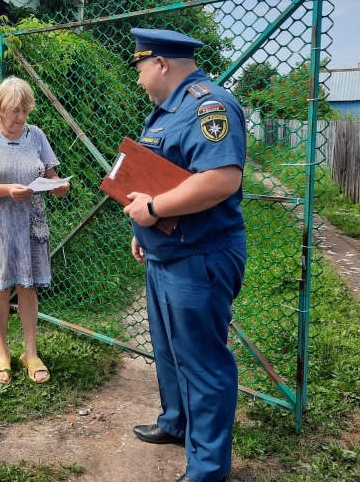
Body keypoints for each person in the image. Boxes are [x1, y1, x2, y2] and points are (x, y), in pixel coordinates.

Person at [122, 29, 247, 482]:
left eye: (139, 68)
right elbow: (165, 175)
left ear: (161, 64)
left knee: (202, 361)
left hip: (199, 255)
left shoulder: (208, 106)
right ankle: (177, 422)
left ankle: (208, 468)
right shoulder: (166, 112)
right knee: (170, 350)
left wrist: (152, 210)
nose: (138, 79)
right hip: (166, 252)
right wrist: (144, 229)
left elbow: (220, 179)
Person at [0, 76, 70, 385]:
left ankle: (31, 353)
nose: (20, 117)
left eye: (24, 110)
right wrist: (9, 189)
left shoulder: (36, 135)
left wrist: (60, 186)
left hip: (29, 222)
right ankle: (1, 352)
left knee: (28, 287)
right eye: (14, 110)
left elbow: (54, 178)